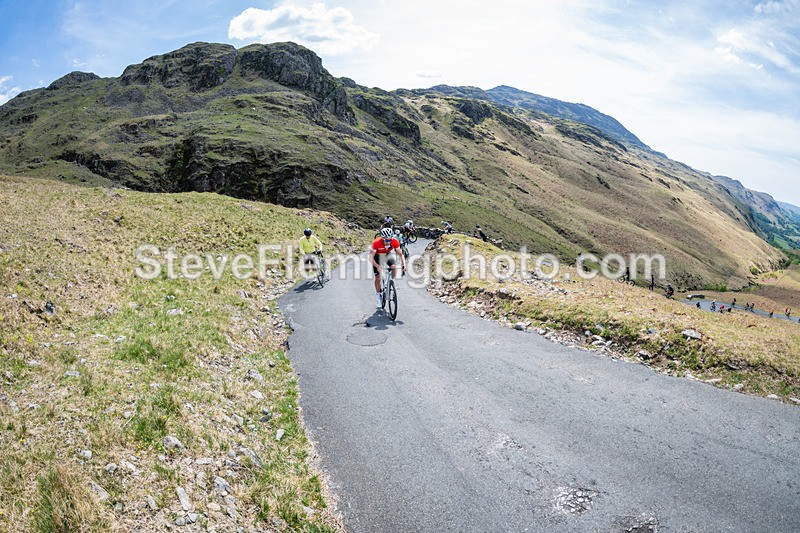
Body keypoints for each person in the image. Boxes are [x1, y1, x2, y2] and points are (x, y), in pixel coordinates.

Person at [370, 227, 407, 308]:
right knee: (378, 278)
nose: (388, 242)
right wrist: (377, 266)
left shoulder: (394, 241)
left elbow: (400, 254)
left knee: (394, 266)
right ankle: (378, 296)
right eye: (386, 240)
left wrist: (404, 265)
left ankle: (391, 282)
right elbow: (371, 258)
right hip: (376, 256)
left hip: (387, 254)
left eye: (390, 240)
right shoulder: (376, 242)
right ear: (382, 239)